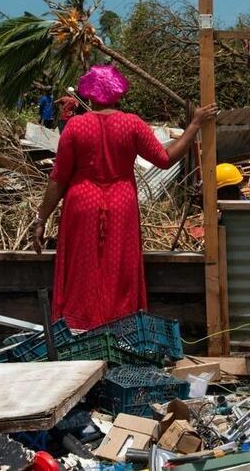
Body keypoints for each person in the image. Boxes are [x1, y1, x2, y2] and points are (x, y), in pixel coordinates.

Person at [31, 64, 217, 329]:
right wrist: (195, 124)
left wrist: (41, 218)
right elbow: (165, 159)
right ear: (118, 94)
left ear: (90, 96)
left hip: (81, 202)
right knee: (119, 268)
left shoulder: (75, 127)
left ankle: (78, 326)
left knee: (81, 269)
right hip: (121, 202)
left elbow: (57, 179)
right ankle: (120, 327)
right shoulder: (132, 124)